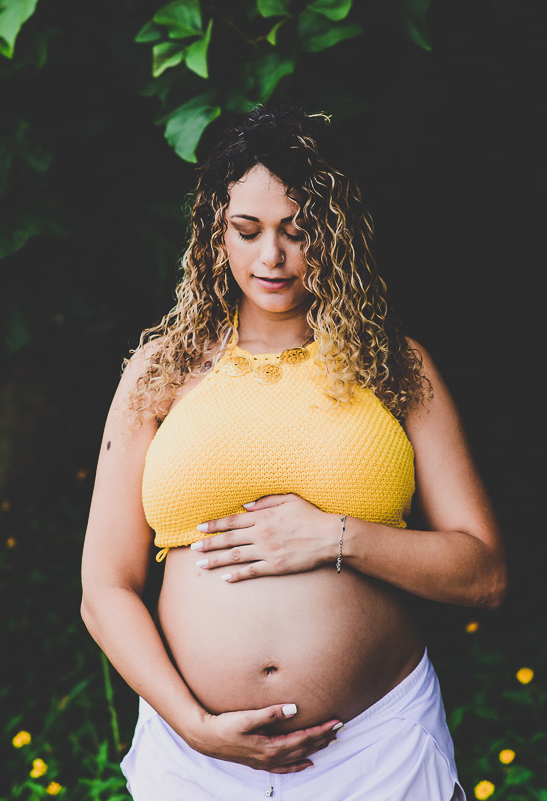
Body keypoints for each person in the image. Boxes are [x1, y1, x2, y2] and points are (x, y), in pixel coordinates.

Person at [80, 103, 507, 801]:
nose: (271, 257)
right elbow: (104, 589)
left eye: (298, 230)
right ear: (215, 235)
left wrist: (337, 537)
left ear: (334, 234)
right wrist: (194, 726)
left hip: (377, 749)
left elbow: (484, 574)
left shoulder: (395, 366)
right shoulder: (163, 370)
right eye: (247, 231)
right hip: (195, 759)